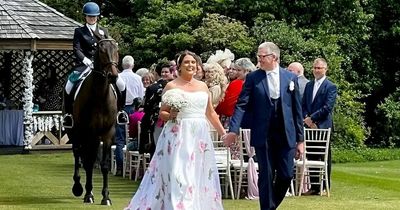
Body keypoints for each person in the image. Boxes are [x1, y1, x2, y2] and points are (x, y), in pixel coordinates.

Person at [125, 50, 225, 210]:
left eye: (193, 62)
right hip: (177, 133)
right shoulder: (172, 86)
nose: (190, 65)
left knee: (195, 173)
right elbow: (162, 114)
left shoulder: (203, 86)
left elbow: (210, 113)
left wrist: (223, 133)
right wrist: (171, 114)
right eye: (186, 62)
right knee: (179, 172)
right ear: (179, 66)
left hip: (199, 135)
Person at [223, 42, 304, 210]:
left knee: (286, 174)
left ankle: (270, 206)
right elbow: (241, 105)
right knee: (266, 175)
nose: (259, 60)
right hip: (263, 133)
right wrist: (233, 130)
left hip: (285, 133)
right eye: (258, 57)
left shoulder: (290, 78)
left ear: (274, 57)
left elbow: (297, 111)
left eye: (262, 57)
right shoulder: (253, 78)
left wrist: (300, 140)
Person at [62, 2, 127, 128]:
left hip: (103, 66)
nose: (92, 18)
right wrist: (85, 60)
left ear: (97, 17)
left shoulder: (104, 31)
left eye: (94, 16)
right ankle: (69, 115)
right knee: (69, 84)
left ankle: (120, 111)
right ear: (85, 17)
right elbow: (77, 49)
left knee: (121, 83)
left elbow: (109, 47)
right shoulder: (79, 31)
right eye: (89, 16)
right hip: (84, 64)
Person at [301, 58, 337, 195]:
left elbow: (327, 107)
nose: (316, 70)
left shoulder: (330, 86)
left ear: (325, 69)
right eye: (315, 68)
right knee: (311, 155)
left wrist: (313, 119)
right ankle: (314, 187)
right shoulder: (309, 85)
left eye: (319, 68)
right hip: (309, 125)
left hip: (322, 126)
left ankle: (324, 186)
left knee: (324, 156)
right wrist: (306, 118)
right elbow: (303, 104)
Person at [115, 55, 145, 176]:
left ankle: (121, 166)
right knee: (134, 136)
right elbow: (141, 96)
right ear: (132, 65)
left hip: (120, 109)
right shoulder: (137, 78)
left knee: (120, 138)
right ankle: (132, 167)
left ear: (122, 65)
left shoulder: (119, 77)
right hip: (133, 109)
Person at [138, 62, 170, 158]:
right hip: (157, 120)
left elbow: (146, 106)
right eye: (163, 72)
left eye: (166, 72)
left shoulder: (153, 87)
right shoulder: (152, 87)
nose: (164, 74)